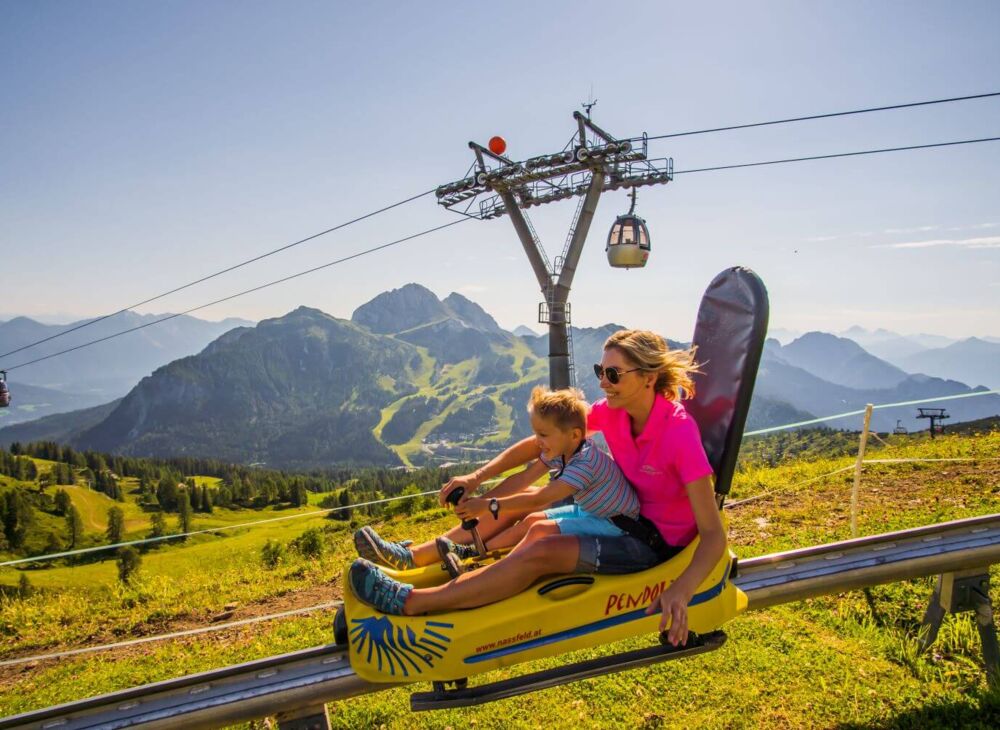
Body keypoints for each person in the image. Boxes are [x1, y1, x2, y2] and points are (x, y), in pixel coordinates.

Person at [350, 329, 726, 647]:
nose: (602, 382)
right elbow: (546, 439)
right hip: (619, 516)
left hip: (650, 543)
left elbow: (713, 535)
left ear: (648, 377)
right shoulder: (614, 411)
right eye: (601, 371)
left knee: (543, 550)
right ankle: (417, 557)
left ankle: (414, 602)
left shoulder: (678, 434)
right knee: (531, 519)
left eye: (613, 373)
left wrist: (682, 588)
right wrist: (476, 479)